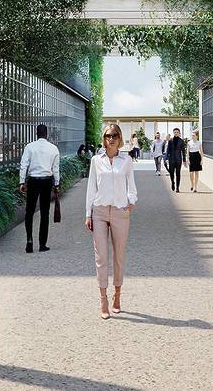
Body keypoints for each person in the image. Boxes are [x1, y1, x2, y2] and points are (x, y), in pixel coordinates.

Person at [85, 123, 137, 319]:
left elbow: (132, 187)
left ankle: (117, 295)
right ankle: (103, 298)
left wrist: (131, 202)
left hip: (119, 212)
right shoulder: (96, 161)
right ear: (104, 139)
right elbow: (91, 187)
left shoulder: (127, 160)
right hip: (99, 212)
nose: (111, 138)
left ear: (120, 138)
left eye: (115, 135)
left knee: (119, 255)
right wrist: (88, 214)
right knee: (101, 256)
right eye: (108, 135)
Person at [18, 123, 60, 254]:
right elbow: (55, 169)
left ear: (36, 133)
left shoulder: (29, 147)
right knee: (45, 212)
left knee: (29, 211)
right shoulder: (53, 148)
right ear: (47, 134)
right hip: (47, 181)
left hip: (33, 181)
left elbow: (23, 164)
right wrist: (56, 184)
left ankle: (29, 241)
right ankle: (42, 244)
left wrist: (22, 182)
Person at [164, 127, 185, 193]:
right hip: (171, 160)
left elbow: (183, 151)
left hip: (179, 160)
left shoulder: (181, 141)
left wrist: (184, 160)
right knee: (171, 173)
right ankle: (172, 182)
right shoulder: (170, 141)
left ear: (179, 133)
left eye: (177, 132)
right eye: (175, 132)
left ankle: (177, 188)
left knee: (178, 174)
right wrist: (166, 159)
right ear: (173, 133)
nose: (176, 133)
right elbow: (168, 150)